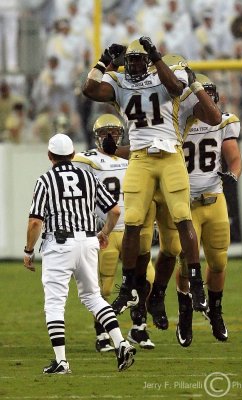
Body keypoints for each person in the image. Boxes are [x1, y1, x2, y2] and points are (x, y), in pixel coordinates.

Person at [82, 37, 222, 318]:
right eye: (131, 60)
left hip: (170, 156)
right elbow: (90, 89)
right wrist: (104, 60)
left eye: (140, 59)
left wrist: (167, 65)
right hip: (142, 159)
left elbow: (190, 97)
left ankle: (191, 284)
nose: (134, 65)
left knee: (178, 228)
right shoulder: (121, 82)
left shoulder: (173, 84)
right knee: (133, 224)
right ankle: (129, 287)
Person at [23, 133, 136, 374]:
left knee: (54, 303)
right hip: (87, 241)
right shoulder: (87, 176)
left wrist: (28, 250)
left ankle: (62, 361)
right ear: (73, 155)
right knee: (93, 297)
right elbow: (114, 210)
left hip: (59, 244)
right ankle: (121, 343)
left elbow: (35, 222)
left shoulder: (45, 180)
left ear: (50, 156)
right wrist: (104, 233)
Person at [149, 74, 242, 346]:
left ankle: (215, 311)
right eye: (203, 94)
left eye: (211, 93)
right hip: (185, 202)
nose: (208, 99)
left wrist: (233, 174)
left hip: (214, 199)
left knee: (218, 262)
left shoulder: (224, 121)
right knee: (185, 259)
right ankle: (185, 312)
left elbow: (234, 157)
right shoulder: (176, 123)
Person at [72, 114, 155, 350]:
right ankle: (102, 332)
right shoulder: (86, 159)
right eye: (105, 133)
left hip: (133, 229)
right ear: (96, 136)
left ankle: (139, 327)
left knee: (146, 279)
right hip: (105, 231)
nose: (111, 137)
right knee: (105, 287)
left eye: (116, 133)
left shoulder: (134, 158)